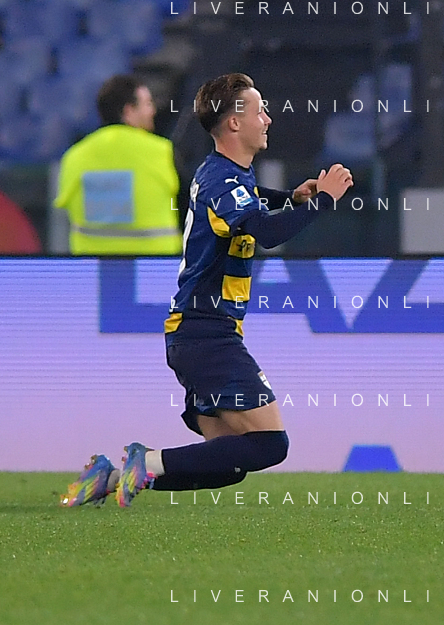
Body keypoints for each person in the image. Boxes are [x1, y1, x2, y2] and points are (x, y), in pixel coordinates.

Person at [62, 72, 353, 507]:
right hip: (206, 333)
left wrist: (291, 198)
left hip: (198, 334)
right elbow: (264, 231)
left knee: (228, 463)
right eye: (259, 111)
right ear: (234, 122)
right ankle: (145, 462)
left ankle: (114, 477)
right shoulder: (221, 180)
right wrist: (324, 200)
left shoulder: (224, 174)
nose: (268, 119)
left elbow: (249, 200)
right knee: (270, 444)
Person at [53, 75, 182, 254]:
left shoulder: (74, 156)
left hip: (92, 264)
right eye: (147, 104)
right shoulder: (162, 151)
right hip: (155, 264)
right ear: (128, 111)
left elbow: (66, 210)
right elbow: (188, 205)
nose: (153, 111)